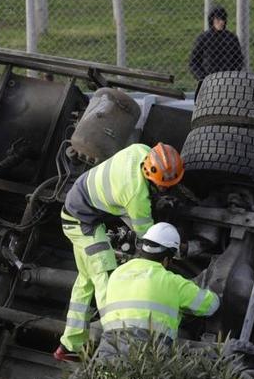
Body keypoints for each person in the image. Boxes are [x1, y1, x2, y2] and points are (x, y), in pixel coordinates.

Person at [53, 142, 185, 362]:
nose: (164, 190)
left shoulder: (140, 150)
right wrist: (178, 250)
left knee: (86, 281)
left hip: (77, 209)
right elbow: (149, 238)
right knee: (105, 277)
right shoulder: (136, 196)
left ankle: (70, 344)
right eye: (161, 186)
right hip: (83, 223)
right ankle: (116, 345)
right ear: (149, 172)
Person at [96, 222, 219, 357]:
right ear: (167, 259)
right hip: (147, 349)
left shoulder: (117, 273)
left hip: (110, 345)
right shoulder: (172, 282)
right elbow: (211, 306)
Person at [188, 6, 245, 92]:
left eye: (223, 19)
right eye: (218, 20)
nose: (221, 22)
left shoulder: (231, 38)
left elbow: (239, 60)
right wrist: (203, 78)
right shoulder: (203, 38)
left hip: (228, 82)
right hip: (208, 82)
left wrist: (232, 76)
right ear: (212, 20)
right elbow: (193, 62)